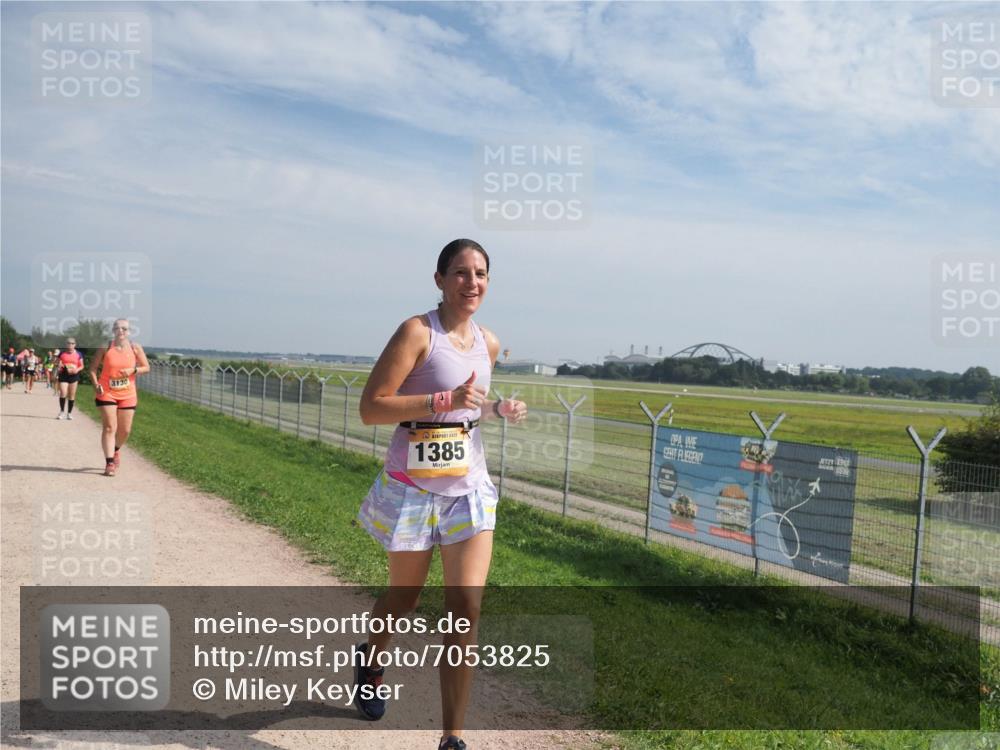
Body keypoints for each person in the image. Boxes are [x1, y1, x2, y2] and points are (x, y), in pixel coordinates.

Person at [356, 239, 527, 750]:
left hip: (467, 492)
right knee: (403, 599)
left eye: (480, 274)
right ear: (439, 279)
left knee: (465, 610)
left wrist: (497, 410)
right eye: (459, 272)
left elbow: (467, 409)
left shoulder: (489, 343)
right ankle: (370, 656)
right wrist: (440, 399)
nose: (470, 282)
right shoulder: (417, 332)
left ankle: (452, 738)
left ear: (488, 282)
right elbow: (372, 407)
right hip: (411, 492)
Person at [88, 320, 149, 476]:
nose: (120, 330)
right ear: (113, 330)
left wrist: (132, 370)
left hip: (128, 393)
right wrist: (96, 385)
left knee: (125, 430)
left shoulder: (136, 348)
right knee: (109, 427)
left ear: (129, 331)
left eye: (124, 328)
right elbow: (93, 369)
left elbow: (146, 367)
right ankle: (109, 463)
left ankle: (115, 450)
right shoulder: (105, 347)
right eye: (117, 328)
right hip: (106, 391)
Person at [56, 340, 84, 420]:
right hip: (63, 375)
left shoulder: (79, 354)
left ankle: (69, 413)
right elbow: (56, 363)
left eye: (72, 343)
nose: (70, 345)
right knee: (63, 393)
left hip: (74, 376)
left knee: (71, 395)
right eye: (68, 343)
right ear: (66, 344)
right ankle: (61, 412)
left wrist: (77, 370)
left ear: (75, 345)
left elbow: (82, 366)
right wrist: (59, 365)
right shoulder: (62, 353)